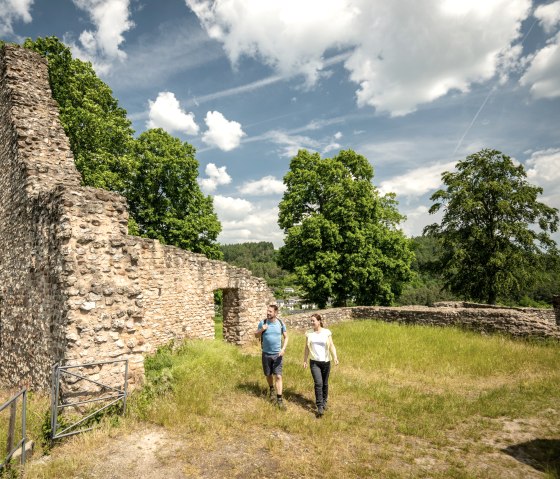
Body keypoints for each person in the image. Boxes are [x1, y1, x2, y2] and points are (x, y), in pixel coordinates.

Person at [303, 313, 339, 417]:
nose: (312, 322)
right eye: (311, 321)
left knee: (325, 383)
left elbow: (332, 345)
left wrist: (335, 357)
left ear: (319, 321)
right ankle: (319, 406)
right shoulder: (309, 333)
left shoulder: (327, 332)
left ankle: (324, 402)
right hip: (314, 362)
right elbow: (306, 348)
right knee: (318, 383)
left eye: (313, 321)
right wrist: (305, 360)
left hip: (326, 361)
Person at [255, 304, 289, 409]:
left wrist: (283, 349)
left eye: (270, 311)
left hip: (277, 355)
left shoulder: (280, 323)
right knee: (268, 374)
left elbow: (286, 337)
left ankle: (279, 399)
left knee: (278, 376)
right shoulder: (263, 322)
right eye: (267, 311)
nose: (268, 313)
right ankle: (271, 389)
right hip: (265, 354)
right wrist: (262, 329)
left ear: (275, 313)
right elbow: (256, 335)